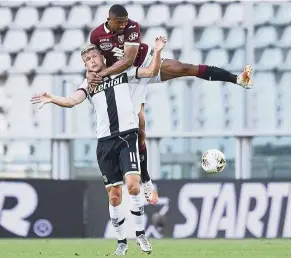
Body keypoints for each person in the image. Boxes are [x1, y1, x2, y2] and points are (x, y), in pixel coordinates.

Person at [87, 4, 253, 205]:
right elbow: (94, 60)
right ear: (109, 20)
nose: (123, 25)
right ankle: (146, 180)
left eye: (125, 21)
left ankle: (238, 79)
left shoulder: (132, 27)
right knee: (140, 128)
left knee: (183, 67)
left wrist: (102, 74)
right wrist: (92, 73)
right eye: (119, 22)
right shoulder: (96, 36)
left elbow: (129, 59)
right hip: (125, 80)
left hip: (144, 65)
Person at [30, 37, 167, 255]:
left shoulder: (122, 71)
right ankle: (121, 242)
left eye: (94, 56)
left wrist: (158, 51)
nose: (92, 61)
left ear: (102, 57)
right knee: (114, 196)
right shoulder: (89, 84)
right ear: (85, 65)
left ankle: (140, 235)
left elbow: (151, 72)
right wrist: (53, 98)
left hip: (126, 137)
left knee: (133, 185)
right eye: (87, 59)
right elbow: (72, 100)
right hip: (105, 143)